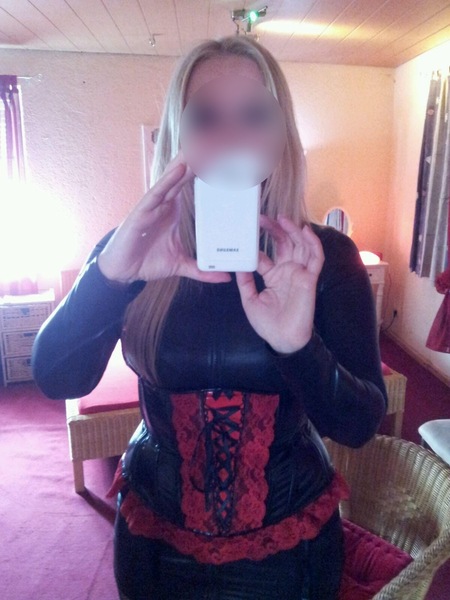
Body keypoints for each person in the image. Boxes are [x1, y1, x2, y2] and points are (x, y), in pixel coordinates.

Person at [32, 35, 387, 600]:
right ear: (179, 137)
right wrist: (110, 276)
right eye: (206, 117)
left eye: (254, 116)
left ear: (282, 137)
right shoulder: (136, 247)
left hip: (291, 548)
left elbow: (360, 424)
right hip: (154, 543)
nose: (231, 137)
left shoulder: (324, 258)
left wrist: (299, 348)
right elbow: (55, 378)